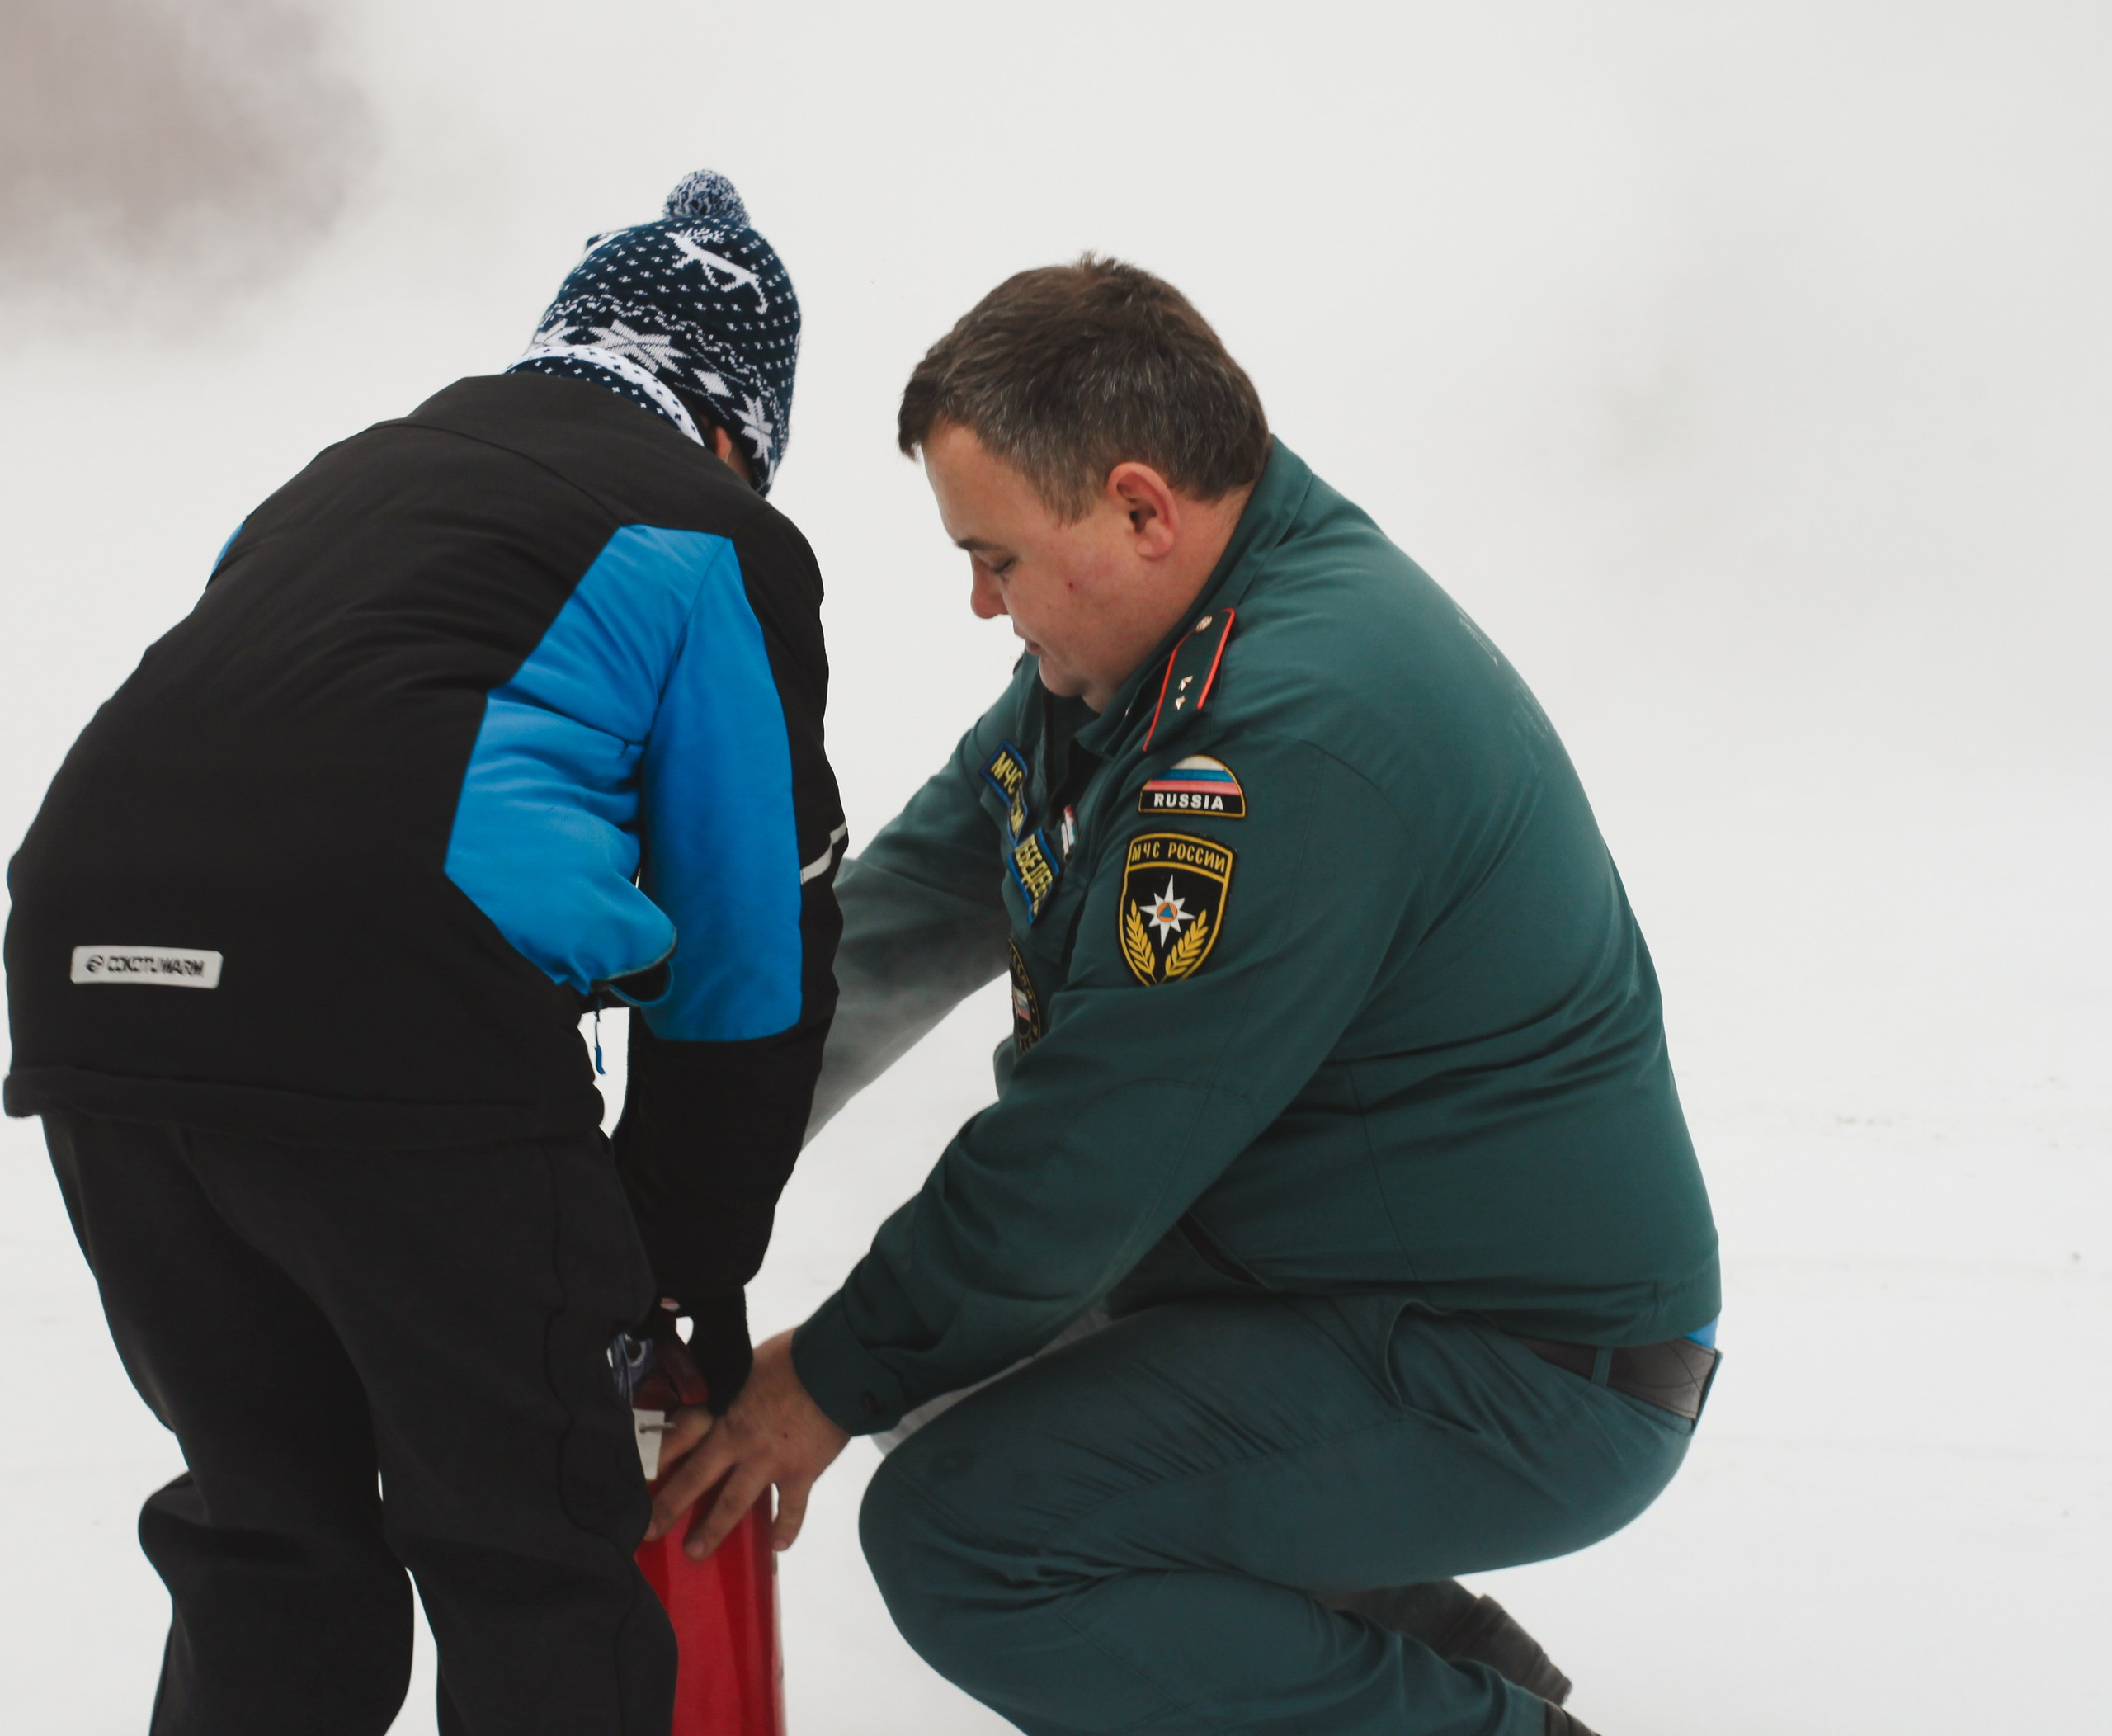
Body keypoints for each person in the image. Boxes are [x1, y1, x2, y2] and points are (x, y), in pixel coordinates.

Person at [651, 256, 1721, 1736]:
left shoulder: (1293, 730)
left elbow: (1086, 1155)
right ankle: (1451, 1667)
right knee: (960, 1387)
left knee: (972, 1533)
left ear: (1143, 508)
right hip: (1328, 1291)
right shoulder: (1126, 667)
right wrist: (655, 1192)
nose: (979, 601)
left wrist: (820, 1379)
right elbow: (890, 936)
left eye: (997, 557)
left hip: (1516, 1368)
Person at [3, 171, 846, 1736]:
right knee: (532, 1563)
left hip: (88, 978)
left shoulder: (345, 481)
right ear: (735, 427)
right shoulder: (714, 532)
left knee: (275, 1552)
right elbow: (750, 963)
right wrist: (674, 1282)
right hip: (393, 1002)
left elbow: (280, 763)